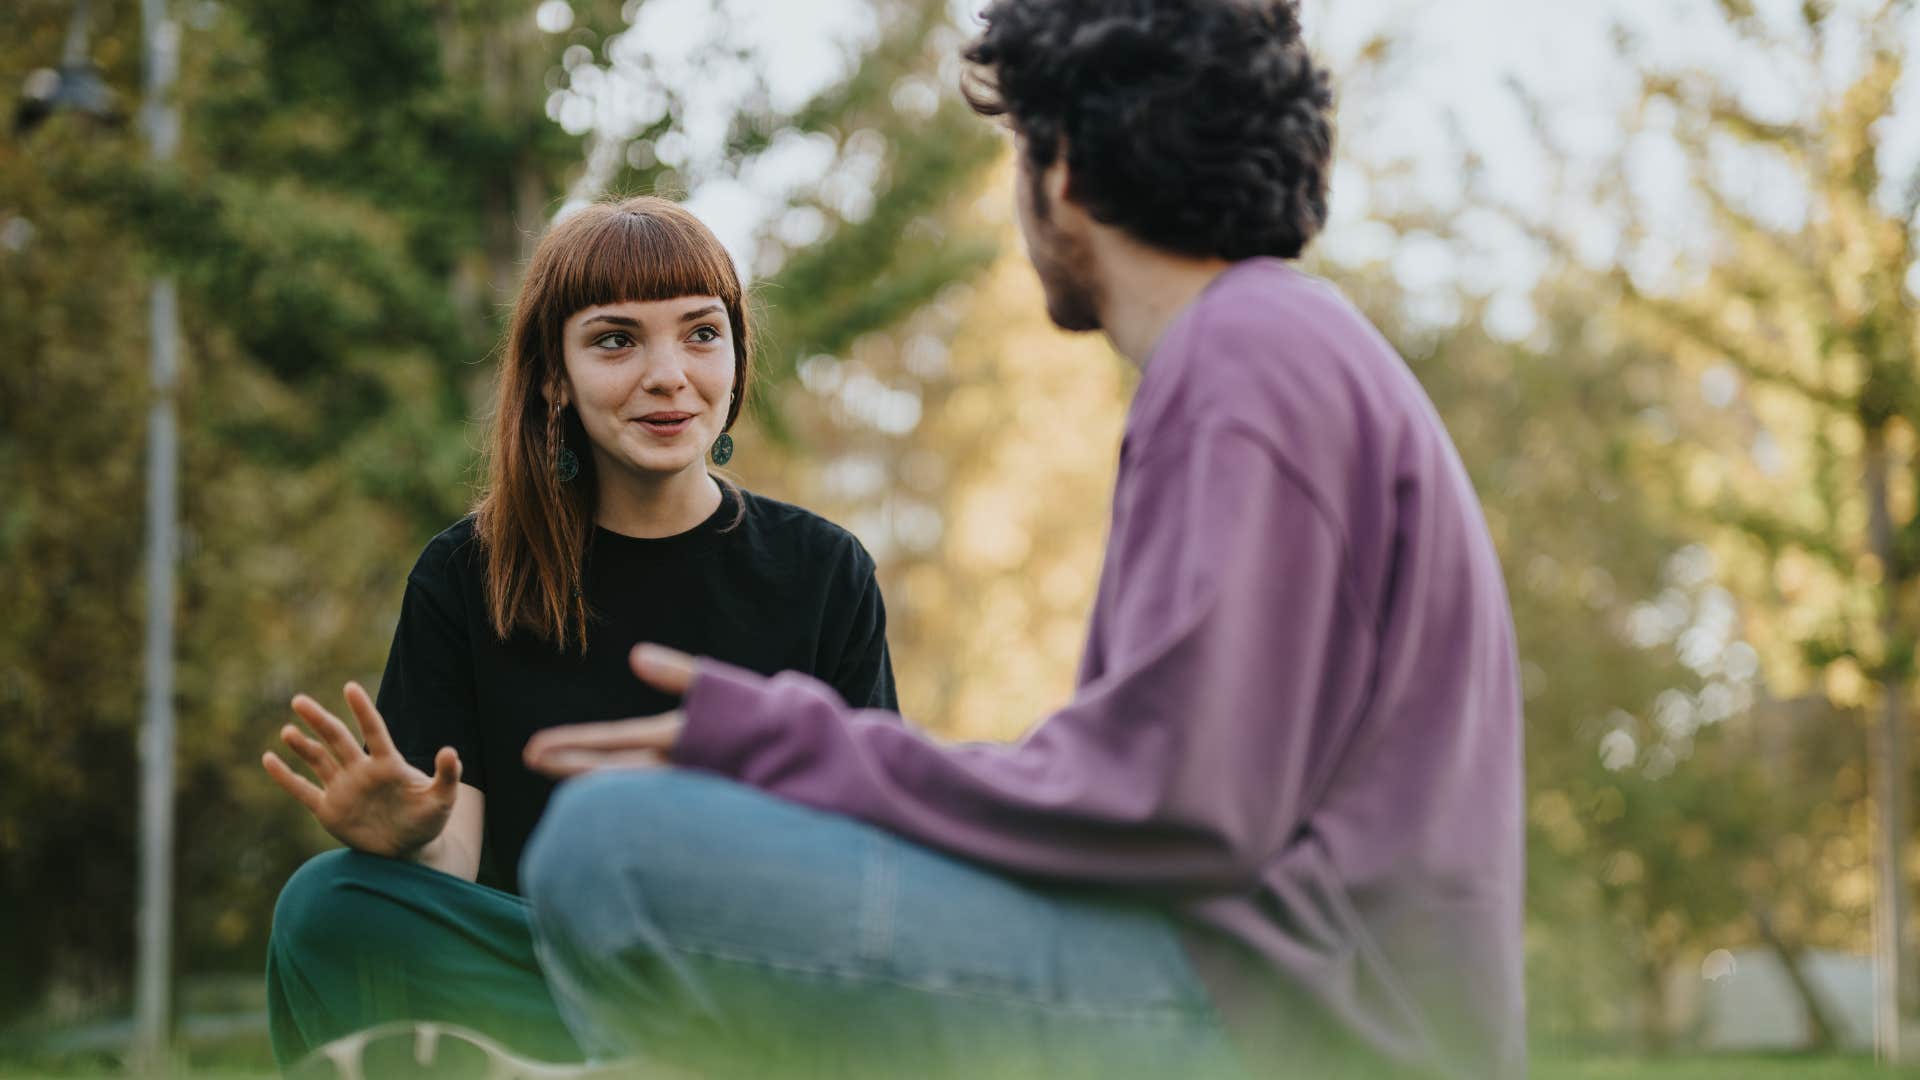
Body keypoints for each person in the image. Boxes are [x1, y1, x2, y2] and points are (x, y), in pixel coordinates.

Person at [514, 2, 1525, 1078]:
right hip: (1296, 998)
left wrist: (792, 748)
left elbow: (1170, 806)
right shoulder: (1285, 342)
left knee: (612, 847)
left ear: (1064, 170)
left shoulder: (1243, 363)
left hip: (1286, 1025)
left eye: (1018, 154)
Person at [259, 196, 898, 1072]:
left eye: (701, 333)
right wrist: (410, 843)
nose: (670, 373)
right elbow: (459, 858)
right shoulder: (466, 576)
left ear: (738, 357)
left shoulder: (827, 572)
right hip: (549, 982)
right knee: (326, 906)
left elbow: (868, 862)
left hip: (749, 988)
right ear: (554, 375)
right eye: (616, 340)